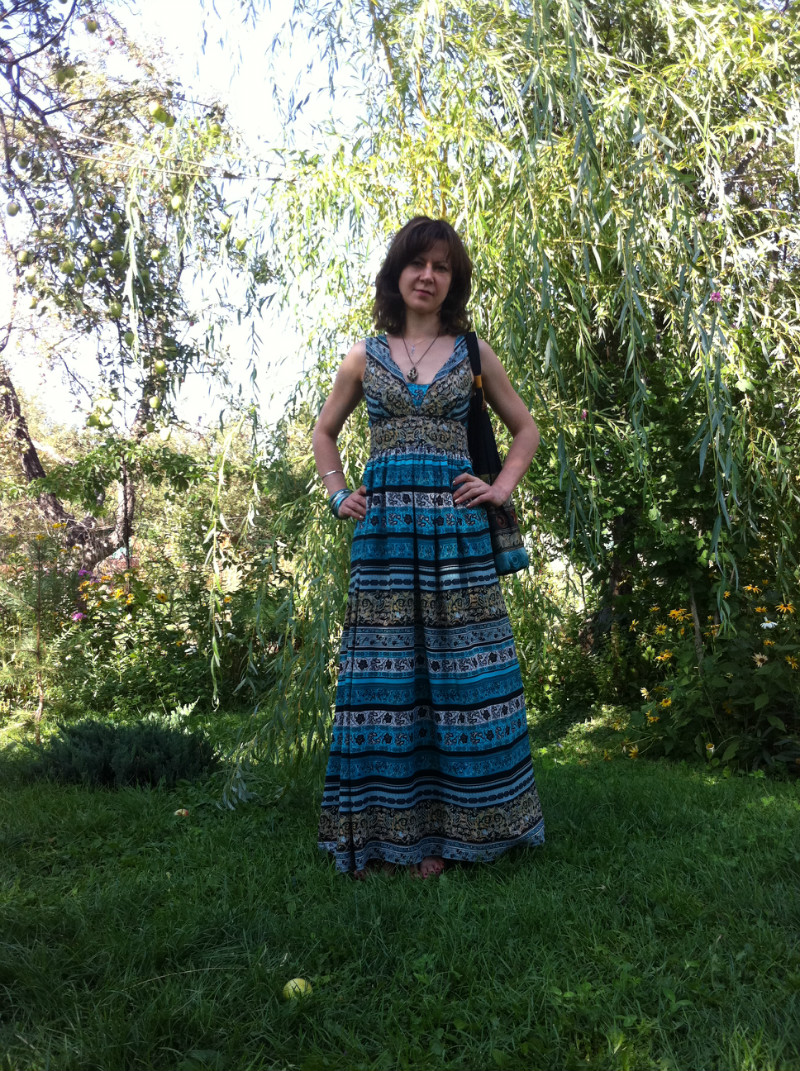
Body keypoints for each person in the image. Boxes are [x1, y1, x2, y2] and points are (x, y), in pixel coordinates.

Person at [313, 216, 545, 878]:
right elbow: (325, 431)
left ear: (453, 280)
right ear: (397, 274)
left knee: (462, 679)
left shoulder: (472, 352)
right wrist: (338, 493)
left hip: (455, 540)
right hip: (385, 539)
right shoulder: (365, 355)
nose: (428, 275)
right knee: (388, 682)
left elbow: (525, 428)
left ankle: (455, 834)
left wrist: (499, 487)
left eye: (442, 266)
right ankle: (389, 834)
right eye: (417, 263)